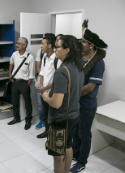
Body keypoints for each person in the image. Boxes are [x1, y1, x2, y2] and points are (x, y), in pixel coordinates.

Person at [42, 35, 84, 173]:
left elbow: (56, 103)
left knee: (58, 154)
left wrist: (46, 96)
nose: (55, 49)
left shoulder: (62, 71)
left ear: (67, 50)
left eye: (58, 47)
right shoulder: (78, 67)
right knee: (68, 146)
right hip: (73, 116)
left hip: (60, 119)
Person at [71, 20, 108, 173]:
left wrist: (72, 94)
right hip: (76, 102)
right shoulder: (81, 59)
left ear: (91, 45)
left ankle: (82, 162)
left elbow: (89, 87)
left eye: (83, 42)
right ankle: (76, 154)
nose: (81, 45)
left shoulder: (98, 63)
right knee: (75, 131)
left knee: (84, 133)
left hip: (86, 104)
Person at [7, 37, 35, 130]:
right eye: (16, 43)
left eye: (19, 43)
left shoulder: (30, 57)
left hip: (24, 83)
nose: (16, 45)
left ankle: (28, 120)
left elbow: (32, 74)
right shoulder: (14, 54)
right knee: (15, 102)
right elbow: (11, 63)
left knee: (27, 103)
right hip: (15, 82)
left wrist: (28, 84)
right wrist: (10, 74)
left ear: (24, 45)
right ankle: (16, 118)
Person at [36, 35, 62, 138]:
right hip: (44, 92)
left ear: (50, 45)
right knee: (46, 113)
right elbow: (41, 73)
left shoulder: (57, 59)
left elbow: (57, 79)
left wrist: (45, 89)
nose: (41, 46)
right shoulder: (45, 57)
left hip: (52, 92)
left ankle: (53, 135)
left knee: (53, 116)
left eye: (43, 44)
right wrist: (42, 88)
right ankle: (47, 131)